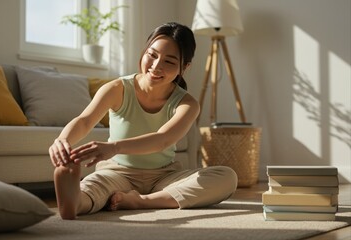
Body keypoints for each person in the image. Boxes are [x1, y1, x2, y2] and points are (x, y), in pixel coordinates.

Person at [49, 22, 238, 220]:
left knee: (226, 177)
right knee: (93, 188)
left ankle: (141, 201)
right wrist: (62, 141)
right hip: (117, 172)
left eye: (169, 61)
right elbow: (84, 121)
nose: (156, 66)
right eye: (152, 55)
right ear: (145, 51)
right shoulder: (117, 88)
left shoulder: (187, 104)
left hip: (164, 177)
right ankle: (75, 203)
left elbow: (162, 139)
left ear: (185, 67)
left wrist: (113, 147)